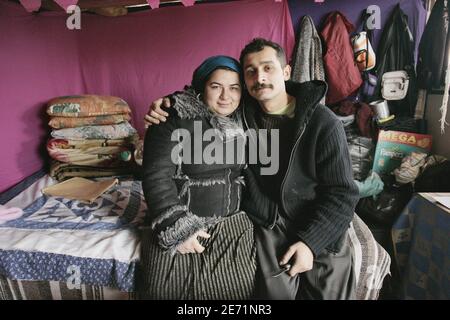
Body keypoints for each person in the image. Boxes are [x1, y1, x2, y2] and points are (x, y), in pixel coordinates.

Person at [145, 38, 359, 300]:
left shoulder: (323, 122)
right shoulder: (243, 113)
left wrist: (311, 245)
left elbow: (343, 193)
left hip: (316, 222)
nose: (260, 77)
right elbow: (202, 98)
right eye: (251, 72)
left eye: (268, 68)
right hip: (269, 223)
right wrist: (168, 103)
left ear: (286, 72)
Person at [140, 55, 256, 300]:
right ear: (202, 87)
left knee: (237, 290)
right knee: (164, 290)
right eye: (216, 86)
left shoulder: (246, 118)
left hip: (232, 225)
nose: (226, 96)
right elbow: (156, 175)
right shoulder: (172, 117)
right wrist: (178, 229)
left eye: (234, 88)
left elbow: (281, 93)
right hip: (180, 219)